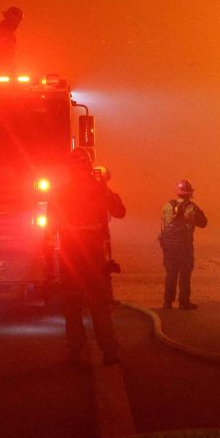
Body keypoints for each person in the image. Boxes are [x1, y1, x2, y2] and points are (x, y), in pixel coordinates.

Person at [52, 148, 126, 364]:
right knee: (99, 302)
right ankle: (109, 351)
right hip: (92, 253)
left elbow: (50, 227)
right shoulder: (98, 189)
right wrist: (104, 187)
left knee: (72, 303)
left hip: (70, 253)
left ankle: (75, 350)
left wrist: (49, 258)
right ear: (88, 166)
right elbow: (120, 211)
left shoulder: (61, 192)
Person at [159, 180, 209, 309]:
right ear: (189, 193)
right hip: (184, 245)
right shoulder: (192, 208)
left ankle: (167, 302)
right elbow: (203, 223)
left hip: (168, 245)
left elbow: (163, 226)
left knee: (171, 272)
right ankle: (183, 302)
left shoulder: (166, 207)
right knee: (185, 273)